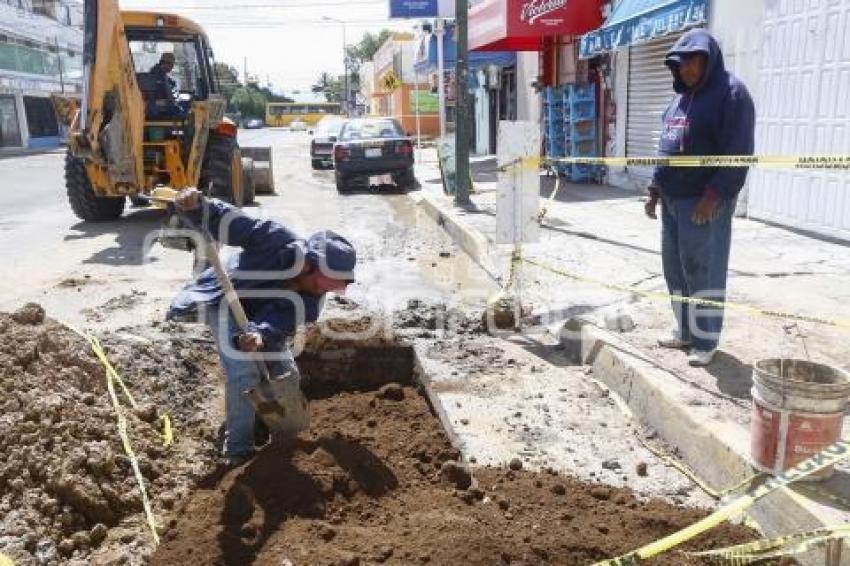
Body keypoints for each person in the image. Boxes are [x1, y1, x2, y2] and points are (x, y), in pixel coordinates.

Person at [167, 188, 356, 464]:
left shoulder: (311, 301)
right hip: (224, 297)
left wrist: (259, 333)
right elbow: (236, 223)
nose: (320, 291)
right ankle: (238, 450)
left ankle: (282, 438)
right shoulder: (276, 239)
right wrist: (200, 207)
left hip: (259, 314)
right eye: (320, 283)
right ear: (308, 265)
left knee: (287, 375)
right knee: (244, 371)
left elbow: (279, 320)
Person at [644, 29, 756, 367]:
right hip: (673, 201)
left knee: (703, 272)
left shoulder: (732, 94)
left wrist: (714, 196)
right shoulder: (678, 100)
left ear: (709, 59)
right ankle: (684, 331)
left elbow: (738, 154)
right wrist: (653, 189)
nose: (687, 68)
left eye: (694, 60)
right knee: (676, 270)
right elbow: (667, 148)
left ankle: (705, 340)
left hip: (704, 202)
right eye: (681, 62)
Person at [148, 53, 182, 117]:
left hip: (158, 105)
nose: (172, 67)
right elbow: (168, 97)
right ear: (166, 63)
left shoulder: (160, 73)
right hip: (158, 109)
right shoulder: (158, 75)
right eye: (172, 64)